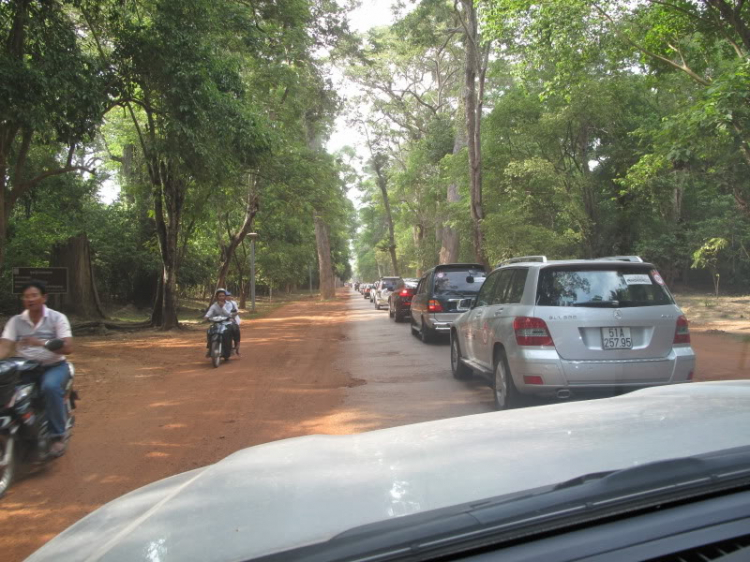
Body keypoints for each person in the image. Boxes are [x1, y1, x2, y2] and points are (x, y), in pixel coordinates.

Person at [0, 280, 73, 457]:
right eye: (26, 296)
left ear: (44, 297)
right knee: (9, 394)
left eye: (34, 295)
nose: (30, 299)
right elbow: (5, 345)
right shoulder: (16, 321)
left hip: (54, 366)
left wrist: (41, 342)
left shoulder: (57, 318)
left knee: (49, 387)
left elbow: (68, 347)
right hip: (24, 368)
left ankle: (57, 436)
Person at [204, 289, 240, 357]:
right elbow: (210, 311)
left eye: (223, 296)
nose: (221, 297)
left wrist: (222, 307)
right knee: (209, 331)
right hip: (217, 322)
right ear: (217, 297)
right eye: (220, 296)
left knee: (234, 328)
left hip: (228, 321)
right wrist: (206, 316)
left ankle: (236, 345)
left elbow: (229, 314)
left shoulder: (229, 304)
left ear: (225, 297)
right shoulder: (214, 305)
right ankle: (210, 347)